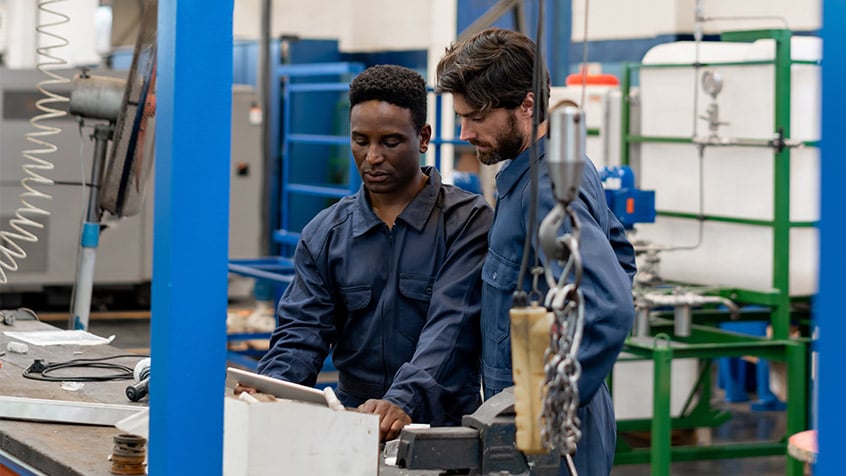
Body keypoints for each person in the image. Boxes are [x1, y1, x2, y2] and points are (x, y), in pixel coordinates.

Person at [238, 64, 493, 442]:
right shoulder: (326, 234)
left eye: (390, 142)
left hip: (445, 427)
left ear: (423, 138)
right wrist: (272, 386)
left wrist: (403, 399)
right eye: (360, 141)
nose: (372, 157)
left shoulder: (466, 223)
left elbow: (450, 327)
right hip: (354, 422)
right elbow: (301, 331)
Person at [436, 28, 637, 475]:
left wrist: (541, 407)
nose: (465, 132)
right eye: (460, 117)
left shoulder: (545, 191)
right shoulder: (547, 173)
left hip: (548, 438)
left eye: (476, 118)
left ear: (527, 105)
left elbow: (611, 306)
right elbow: (621, 258)